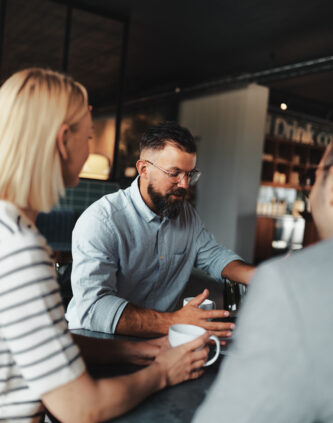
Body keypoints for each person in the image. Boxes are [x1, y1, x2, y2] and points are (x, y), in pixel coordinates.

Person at [0, 68, 210, 423]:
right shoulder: (20, 250)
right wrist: (164, 372)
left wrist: (140, 350)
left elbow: (45, 344)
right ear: (64, 140)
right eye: (90, 135)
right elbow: (79, 410)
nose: (92, 147)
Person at [189, 143, 333, 423]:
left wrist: (273, 282)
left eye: (316, 174)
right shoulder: (105, 218)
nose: (184, 184)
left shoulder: (292, 286)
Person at [66, 122, 255, 338]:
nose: (185, 184)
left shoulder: (186, 215)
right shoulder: (102, 220)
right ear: (144, 169)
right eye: (174, 173)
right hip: (99, 340)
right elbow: (94, 308)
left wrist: (263, 276)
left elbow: (214, 257)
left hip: (160, 337)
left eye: (190, 174)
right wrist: (175, 321)